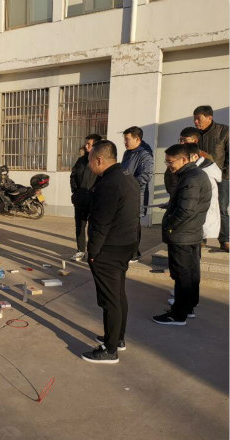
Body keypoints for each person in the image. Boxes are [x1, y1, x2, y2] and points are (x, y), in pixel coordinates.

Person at [81, 140, 139, 364]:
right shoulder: (127, 177)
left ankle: (109, 349)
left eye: (90, 161)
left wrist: (92, 251)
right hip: (126, 244)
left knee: (110, 299)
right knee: (118, 295)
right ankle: (117, 338)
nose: (89, 165)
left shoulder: (108, 183)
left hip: (110, 249)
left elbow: (101, 222)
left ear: (99, 159)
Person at [153, 143, 211, 325]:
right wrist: (171, 205)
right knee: (190, 272)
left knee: (182, 274)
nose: (168, 165)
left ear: (184, 159)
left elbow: (186, 211)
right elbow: (187, 204)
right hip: (190, 232)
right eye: (166, 161)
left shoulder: (191, 179)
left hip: (183, 234)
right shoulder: (194, 175)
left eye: (170, 162)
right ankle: (188, 306)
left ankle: (178, 315)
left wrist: (170, 225)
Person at [194, 105, 229, 252]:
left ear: (209, 118)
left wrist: (225, 175)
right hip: (201, 177)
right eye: (194, 119)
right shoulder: (195, 134)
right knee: (200, 206)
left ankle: (225, 239)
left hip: (222, 177)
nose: (196, 122)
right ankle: (201, 238)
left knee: (222, 208)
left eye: (198, 118)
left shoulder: (224, 131)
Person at [121, 126, 153, 262]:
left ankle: (134, 253)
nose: (125, 142)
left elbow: (146, 175)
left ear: (137, 139)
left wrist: (129, 185)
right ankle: (127, 251)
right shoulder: (127, 153)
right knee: (125, 225)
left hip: (136, 195)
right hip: (125, 193)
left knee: (133, 225)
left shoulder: (145, 155)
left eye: (127, 139)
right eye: (124, 139)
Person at [69, 133, 101, 261]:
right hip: (80, 199)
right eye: (86, 143)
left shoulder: (100, 161)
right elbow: (73, 177)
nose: (86, 146)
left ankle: (93, 252)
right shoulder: (81, 161)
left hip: (94, 201)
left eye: (89, 144)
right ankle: (80, 250)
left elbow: (103, 180)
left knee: (94, 227)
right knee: (80, 226)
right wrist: (75, 192)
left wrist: (95, 194)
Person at [164, 127, 201, 196]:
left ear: (195, 141)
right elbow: (169, 176)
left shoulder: (204, 157)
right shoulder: (176, 154)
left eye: (185, 140)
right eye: (180, 140)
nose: (182, 143)